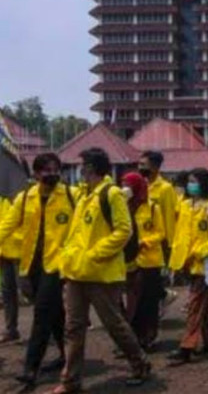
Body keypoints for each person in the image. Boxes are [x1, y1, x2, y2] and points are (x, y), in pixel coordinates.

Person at [53, 148, 151, 393]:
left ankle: (140, 363)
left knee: (114, 324)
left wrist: (96, 253)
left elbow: (123, 230)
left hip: (102, 273)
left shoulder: (111, 194)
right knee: (73, 328)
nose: (80, 169)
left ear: (93, 167)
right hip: (76, 273)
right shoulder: (85, 196)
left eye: (83, 164)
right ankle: (70, 380)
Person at [0, 152, 75, 388]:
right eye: (46, 170)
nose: (52, 174)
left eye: (55, 170)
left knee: (41, 313)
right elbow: (6, 226)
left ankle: (31, 369)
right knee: (55, 314)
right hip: (32, 264)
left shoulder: (72, 195)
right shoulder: (25, 198)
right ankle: (66, 355)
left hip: (58, 264)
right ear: (36, 174)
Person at [166, 169, 208, 366]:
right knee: (202, 304)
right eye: (189, 181)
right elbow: (180, 236)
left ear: (203, 184)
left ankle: (187, 346)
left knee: (194, 304)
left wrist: (197, 253)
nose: (190, 185)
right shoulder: (185, 206)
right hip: (186, 263)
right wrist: (177, 261)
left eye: (194, 181)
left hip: (202, 265)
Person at [121, 171, 165, 352]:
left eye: (129, 185)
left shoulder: (152, 207)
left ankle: (148, 337)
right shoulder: (122, 207)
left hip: (150, 261)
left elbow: (161, 233)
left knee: (149, 302)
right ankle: (133, 339)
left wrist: (144, 242)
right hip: (130, 262)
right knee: (132, 302)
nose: (125, 188)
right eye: (123, 184)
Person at [0, 197, 22, 345]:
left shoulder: (23, 196)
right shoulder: (3, 199)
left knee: (30, 291)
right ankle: (11, 330)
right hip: (5, 251)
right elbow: (0, 225)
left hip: (19, 251)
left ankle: (51, 326)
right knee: (7, 292)